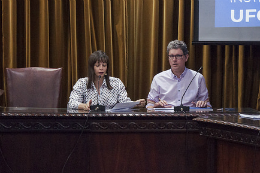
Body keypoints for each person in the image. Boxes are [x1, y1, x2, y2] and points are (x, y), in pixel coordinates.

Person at [68, 50, 145, 110]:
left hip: (110, 122)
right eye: (98, 65)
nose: (101, 68)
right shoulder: (82, 83)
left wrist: (136, 104)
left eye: (104, 65)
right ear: (92, 67)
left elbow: (124, 102)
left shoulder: (116, 83)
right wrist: (84, 106)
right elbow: (72, 103)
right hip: (89, 122)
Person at [146, 40, 211, 108]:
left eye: (178, 56)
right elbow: (149, 106)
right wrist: (156, 106)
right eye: (171, 56)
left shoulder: (198, 77)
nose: (174, 59)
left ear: (186, 57)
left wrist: (203, 104)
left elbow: (208, 106)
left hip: (191, 117)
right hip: (166, 116)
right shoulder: (158, 78)